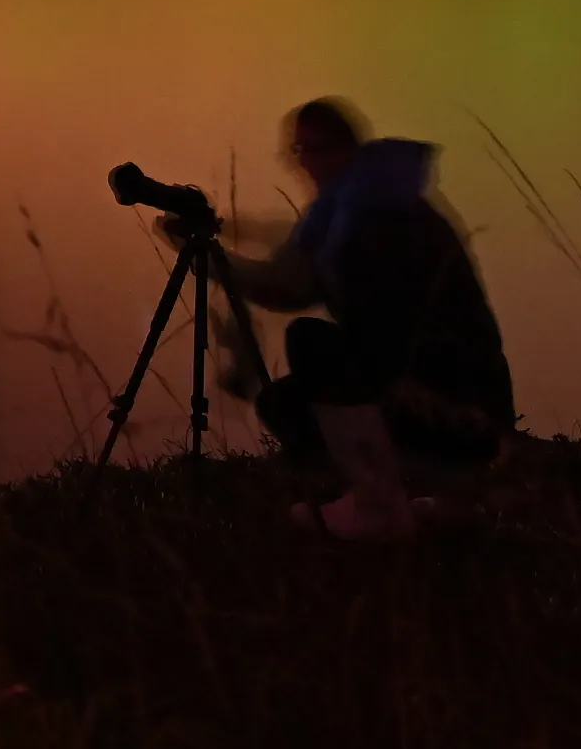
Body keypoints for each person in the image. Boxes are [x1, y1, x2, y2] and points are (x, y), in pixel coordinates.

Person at [214, 97, 513, 538]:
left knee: (306, 361)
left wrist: (212, 260)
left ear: (336, 148)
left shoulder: (362, 218)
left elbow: (291, 288)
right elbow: (295, 285)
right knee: (313, 376)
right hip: (481, 403)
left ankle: (379, 506)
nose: (300, 166)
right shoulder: (382, 202)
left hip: (448, 410)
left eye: (303, 152)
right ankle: (455, 503)